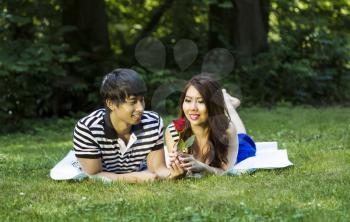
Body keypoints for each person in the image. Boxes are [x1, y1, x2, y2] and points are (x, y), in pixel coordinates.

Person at [73, 68, 178, 183]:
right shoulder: (88, 128)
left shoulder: (153, 122)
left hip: (141, 170)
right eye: (133, 102)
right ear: (111, 104)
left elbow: (158, 169)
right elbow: (92, 175)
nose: (141, 108)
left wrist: (174, 173)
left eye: (142, 100)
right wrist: (134, 178)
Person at [165, 74, 256, 177]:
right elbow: (176, 171)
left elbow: (226, 171)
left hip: (238, 146)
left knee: (242, 136)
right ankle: (225, 103)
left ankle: (229, 105)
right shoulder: (174, 130)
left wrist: (204, 168)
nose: (193, 108)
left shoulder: (227, 130)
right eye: (188, 100)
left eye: (201, 101)